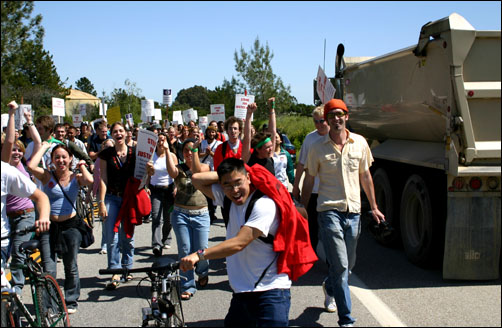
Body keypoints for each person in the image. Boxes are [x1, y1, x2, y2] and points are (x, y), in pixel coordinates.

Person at [301, 99, 385, 327]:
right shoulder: (317, 148)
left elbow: (365, 176)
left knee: (348, 263)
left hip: (354, 211)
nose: (336, 119)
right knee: (340, 264)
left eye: (340, 115)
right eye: (331, 116)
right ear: (327, 121)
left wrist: (374, 207)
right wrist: (302, 207)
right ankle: (346, 319)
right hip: (329, 211)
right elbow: (309, 179)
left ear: (346, 116)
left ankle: (329, 286)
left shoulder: (360, 143)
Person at [181, 158, 292, 327]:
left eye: (238, 182)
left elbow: (239, 243)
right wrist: (227, 176)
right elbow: (196, 179)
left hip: (271, 292)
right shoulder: (227, 198)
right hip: (242, 292)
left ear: (248, 178)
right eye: (227, 185)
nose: (235, 190)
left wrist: (199, 255)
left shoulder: (263, 204)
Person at [28, 141, 94, 314]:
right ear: (52, 160)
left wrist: (81, 166)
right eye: (57, 157)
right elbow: (31, 166)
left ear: (70, 159)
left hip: (71, 226)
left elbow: (90, 180)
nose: (61, 160)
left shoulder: (76, 177)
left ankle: (71, 300)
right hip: (49, 226)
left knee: (70, 264)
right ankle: (49, 304)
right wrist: (43, 147)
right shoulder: (47, 176)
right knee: (48, 268)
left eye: (64, 157)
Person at [1, 102, 48, 294]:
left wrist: (16, 116)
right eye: (13, 151)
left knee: (17, 256)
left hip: (25, 213)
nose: (16, 153)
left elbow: (11, 141)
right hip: (9, 215)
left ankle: (17, 294)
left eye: (19, 151)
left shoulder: (8, 169)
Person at [161, 138, 210, 300]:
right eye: (186, 151)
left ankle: (202, 271)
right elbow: (171, 171)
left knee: (201, 248)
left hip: (201, 215)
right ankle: (187, 284)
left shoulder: (204, 167)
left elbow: (197, 173)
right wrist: (167, 150)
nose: (188, 153)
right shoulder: (179, 169)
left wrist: (196, 151)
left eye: (191, 150)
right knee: (185, 249)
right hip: (181, 214)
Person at [98, 122, 137, 290]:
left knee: (127, 235)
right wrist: (101, 203)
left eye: (121, 130)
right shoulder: (106, 154)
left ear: (126, 133)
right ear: (111, 135)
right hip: (112, 197)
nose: (118, 133)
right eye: (115, 131)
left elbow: (141, 175)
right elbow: (103, 179)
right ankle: (114, 269)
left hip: (128, 198)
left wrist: (148, 179)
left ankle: (127, 267)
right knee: (111, 236)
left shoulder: (134, 153)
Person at [292, 105, 330, 254]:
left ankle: (332, 262)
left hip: (330, 191)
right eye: (316, 121)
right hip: (313, 190)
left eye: (322, 121)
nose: (319, 125)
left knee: (329, 228)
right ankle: (310, 255)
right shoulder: (310, 138)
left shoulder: (334, 137)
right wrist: (296, 187)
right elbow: (301, 164)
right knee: (312, 225)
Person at [1, 161, 51, 265]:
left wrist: (44, 218)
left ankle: (18, 282)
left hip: (24, 215)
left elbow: (41, 197)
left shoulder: (6, 170)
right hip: (10, 216)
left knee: (17, 254)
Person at [145, 132, 176, 257]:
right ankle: (156, 244)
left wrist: (177, 188)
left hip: (169, 189)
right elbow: (148, 174)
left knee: (168, 218)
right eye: (158, 140)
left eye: (163, 140)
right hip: (155, 190)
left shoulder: (172, 155)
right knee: (156, 217)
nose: (161, 142)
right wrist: (146, 187)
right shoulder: (151, 156)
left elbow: (177, 173)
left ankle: (166, 238)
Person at [92, 138, 116, 255]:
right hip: (100, 192)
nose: (107, 149)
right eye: (105, 146)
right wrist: (89, 194)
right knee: (105, 220)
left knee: (114, 221)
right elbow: (96, 178)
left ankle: (116, 243)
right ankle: (104, 245)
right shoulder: (99, 160)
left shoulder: (116, 160)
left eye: (110, 147)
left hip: (113, 193)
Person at [242, 99, 277, 176]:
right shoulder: (249, 159)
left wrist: (272, 108)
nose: (271, 149)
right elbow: (247, 139)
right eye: (267, 147)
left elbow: (273, 132)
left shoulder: (269, 157)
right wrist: (249, 114)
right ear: (258, 149)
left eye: (271, 146)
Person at [200, 125, 223, 224]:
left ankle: (213, 209)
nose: (211, 134)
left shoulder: (219, 144)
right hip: (205, 169)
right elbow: (198, 155)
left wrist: (211, 153)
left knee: (215, 190)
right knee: (207, 191)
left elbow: (220, 157)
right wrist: (205, 153)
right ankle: (210, 212)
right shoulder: (203, 143)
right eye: (210, 132)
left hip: (215, 170)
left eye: (213, 132)